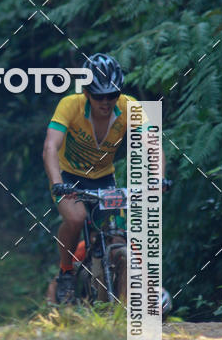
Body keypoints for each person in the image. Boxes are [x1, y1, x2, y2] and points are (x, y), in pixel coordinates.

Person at [42, 53, 168, 304]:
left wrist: (158, 178)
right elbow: (50, 147)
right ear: (87, 93)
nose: (106, 101)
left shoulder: (129, 106)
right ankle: (66, 272)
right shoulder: (70, 105)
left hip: (103, 178)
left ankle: (127, 295)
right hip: (69, 178)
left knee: (117, 236)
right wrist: (57, 183)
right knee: (76, 218)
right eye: (99, 95)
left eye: (112, 95)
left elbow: (151, 144)